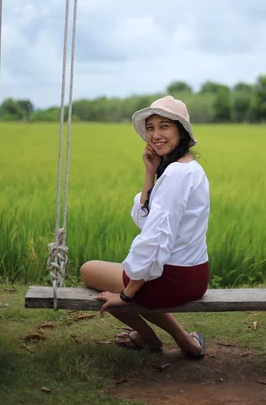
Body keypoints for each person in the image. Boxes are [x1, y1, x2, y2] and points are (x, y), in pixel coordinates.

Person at [80, 95, 210, 358]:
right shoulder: (190, 168)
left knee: (90, 271)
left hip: (174, 279)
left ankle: (150, 339)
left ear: (181, 131)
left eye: (165, 126)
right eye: (151, 128)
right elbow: (145, 220)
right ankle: (186, 342)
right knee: (131, 272)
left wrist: (127, 296)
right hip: (196, 274)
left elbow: (156, 238)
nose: (155, 135)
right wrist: (150, 172)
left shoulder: (175, 174)